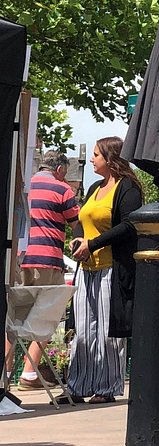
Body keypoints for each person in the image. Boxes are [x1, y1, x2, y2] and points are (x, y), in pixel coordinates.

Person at [61, 138, 143, 403]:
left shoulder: (128, 187)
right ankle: (78, 386)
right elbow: (82, 220)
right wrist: (78, 239)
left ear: (110, 158)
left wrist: (93, 244)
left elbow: (130, 225)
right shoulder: (95, 187)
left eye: (96, 155)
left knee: (108, 331)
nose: (93, 159)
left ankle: (106, 388)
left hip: (112, 268)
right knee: (84, 330)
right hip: (87, 268)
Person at [12, 150, 79, 389]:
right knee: (47, 316)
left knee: (13, 318)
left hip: (20, 258)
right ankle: (29, 373)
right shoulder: (63, 190)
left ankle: (5, 374)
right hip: (48, 259)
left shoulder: (24, 185)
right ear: (60, 170)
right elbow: (76, 224)